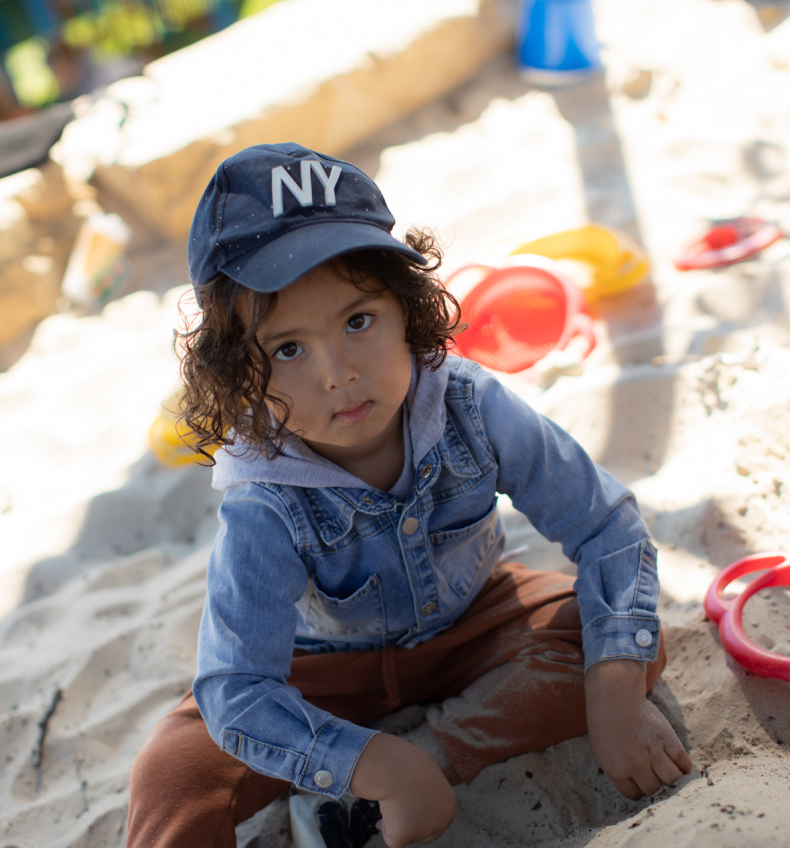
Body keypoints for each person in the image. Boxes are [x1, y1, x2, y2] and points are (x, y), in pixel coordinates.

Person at [126, 143, 692, 848]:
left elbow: (604, 524)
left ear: (407, 308)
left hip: (471, 622)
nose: (338, 374)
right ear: (238, 371)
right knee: (171, 775)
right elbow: (237, 690)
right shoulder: (263, 496)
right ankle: (370, 779)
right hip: (318, 672)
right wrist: (363, 759)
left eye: (358, 321)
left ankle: (417, 770)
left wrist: (612, 691)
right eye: (288, 351)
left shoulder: (469, 403)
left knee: (622, 641)